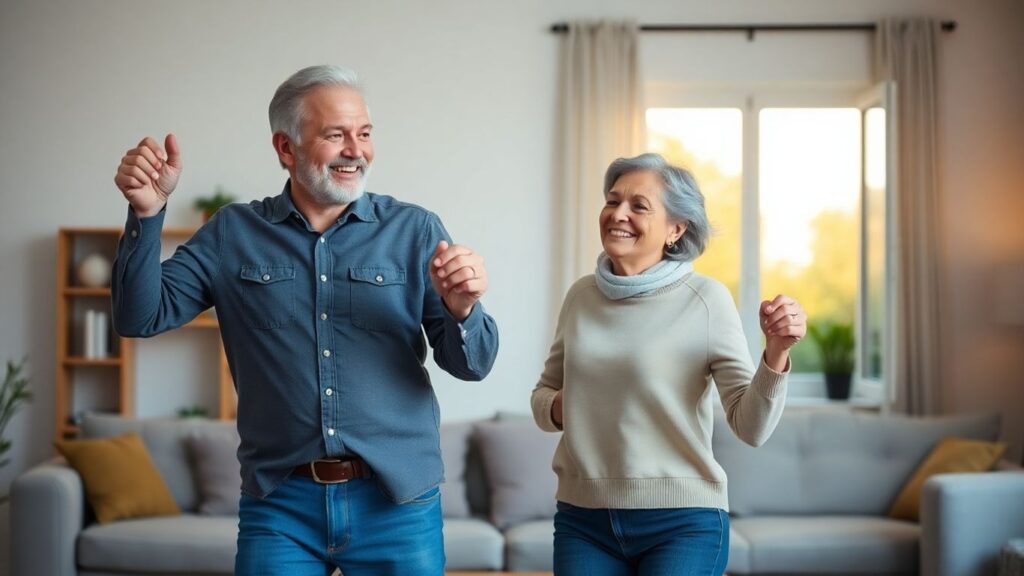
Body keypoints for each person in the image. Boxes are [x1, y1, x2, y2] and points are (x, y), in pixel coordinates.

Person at [111, 65, 499, 576]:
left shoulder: (415, 230)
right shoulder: (232, 233)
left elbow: (472, 365)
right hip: (280, 506)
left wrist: (463, 309)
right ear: (286, 148)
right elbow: (140, 316)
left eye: (364, 133)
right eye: (335, 134)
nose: (356, 150)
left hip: (397, 504)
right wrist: (146, 214)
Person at [531, 153, 805, 575]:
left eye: (639, 206)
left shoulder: (706, 299)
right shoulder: (581, 296)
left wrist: (777, 353)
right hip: (583, 519)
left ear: (676, 229)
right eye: (612, 200)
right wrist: (563, 406)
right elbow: (542, 399)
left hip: (682, 522)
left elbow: (750, 427)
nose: (618, 214)